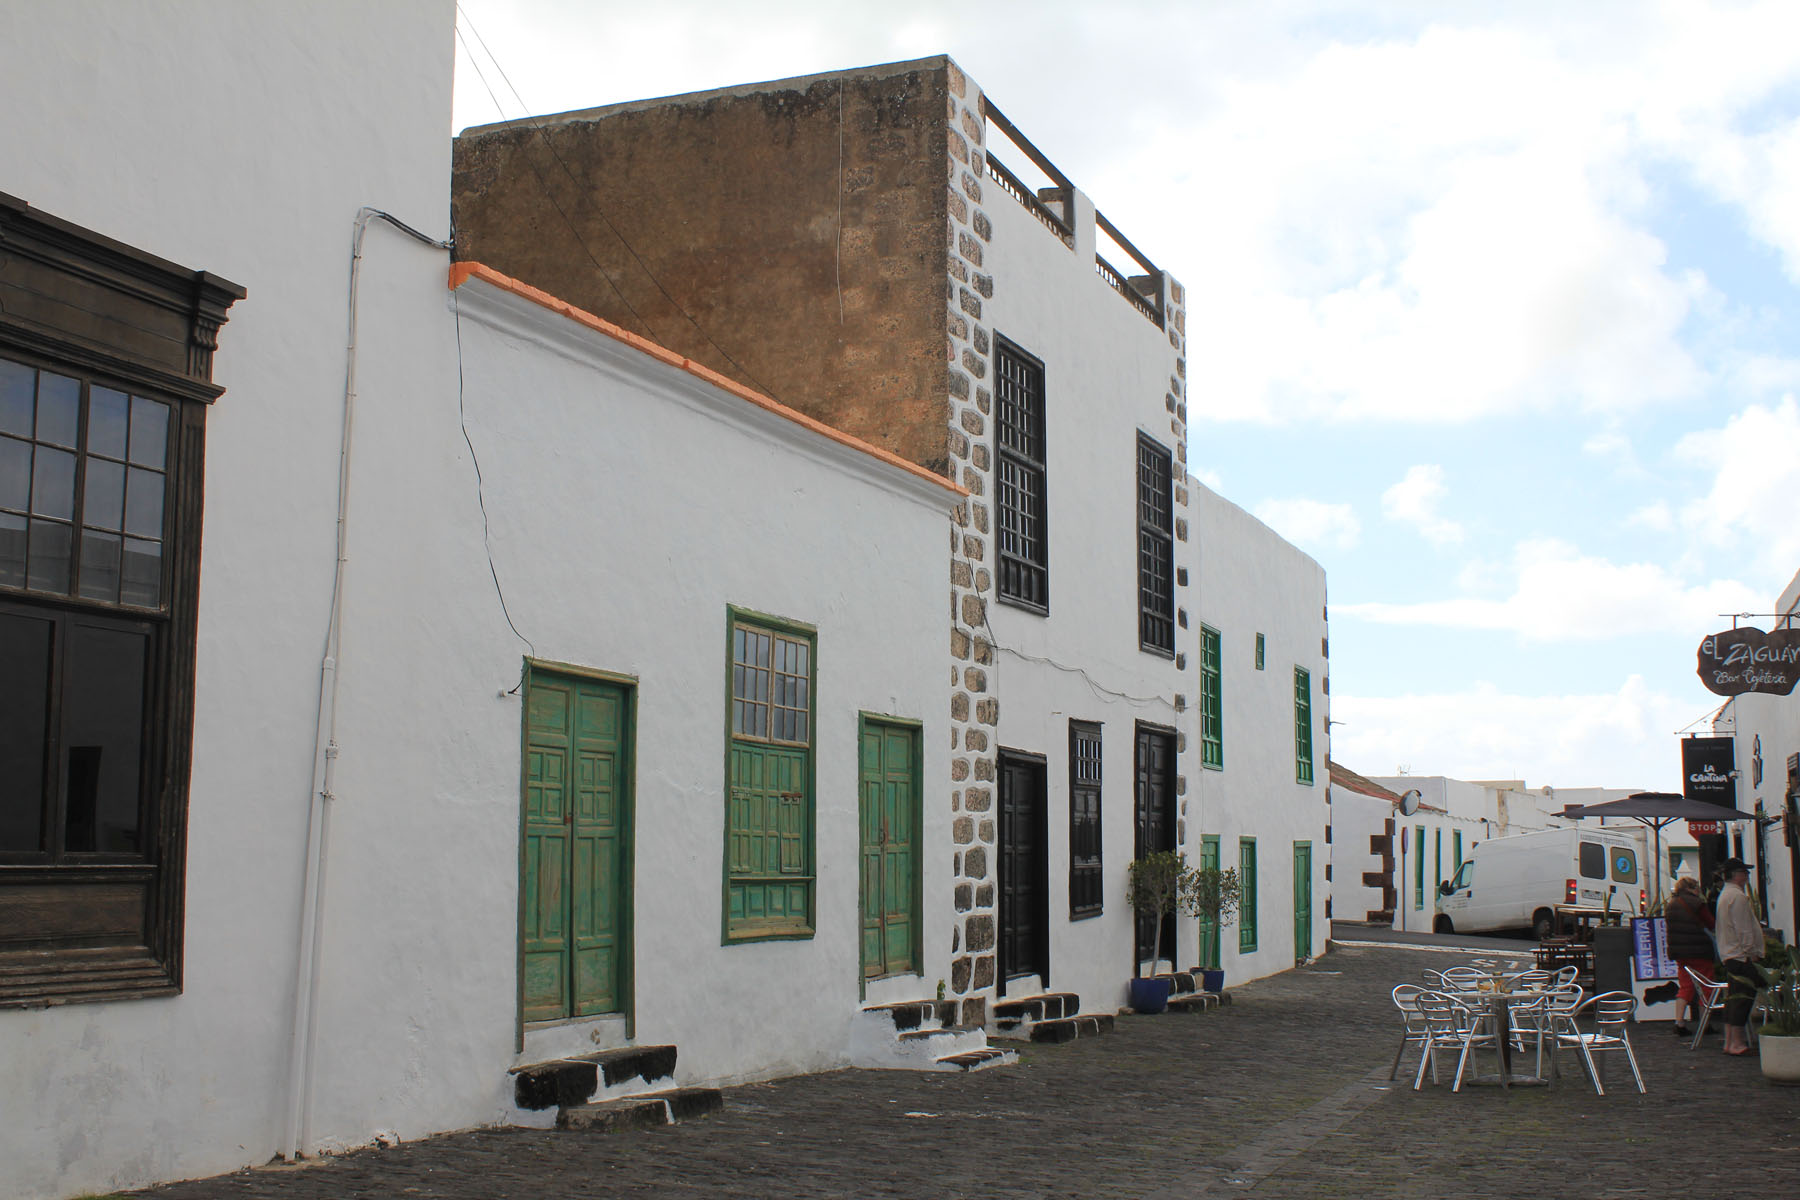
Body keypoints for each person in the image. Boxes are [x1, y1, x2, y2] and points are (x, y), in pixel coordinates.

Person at [1715, 858, 1765, 1057]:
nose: (1747, 877)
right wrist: (1751, 952)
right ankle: (1736, 1042)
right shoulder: (1738, 897)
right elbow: (1744, 929)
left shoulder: (1725, 895)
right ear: (1736, 875)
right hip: (1741, 956)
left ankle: (1730, 1041)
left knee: (1734, 997)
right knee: (1743, 998)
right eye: (1744, 873)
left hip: (1730, 954)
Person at [1664, 876, 1716, 1036]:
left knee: (1686, 986)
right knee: (1706, 986)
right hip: (1700, 951)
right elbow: (1711, 923)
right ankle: (1704, 1023)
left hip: (1680, 953)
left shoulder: (1671, 904)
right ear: (1692, 888)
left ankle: (1679, 1022)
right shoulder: (1697, 903)